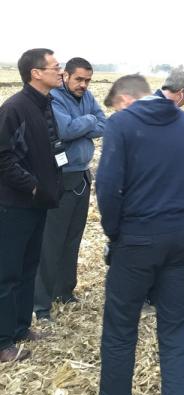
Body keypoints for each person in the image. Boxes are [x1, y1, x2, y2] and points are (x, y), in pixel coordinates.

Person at [82, 74, 184, 395]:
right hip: (180, 240)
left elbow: (107, 187)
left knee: (121, 330)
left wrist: (115, 232)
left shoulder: (121, 124)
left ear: (125, 99)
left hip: (135, 241)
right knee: (175, 338)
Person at [0, 48, 64, 363]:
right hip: (14, 205)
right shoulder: (14, 108)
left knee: (28, 268)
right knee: (7, 273)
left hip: (37, 204)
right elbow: (4, 158)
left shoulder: (45, 105)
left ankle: (21, 327)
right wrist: (34, 185)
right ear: (35, 73)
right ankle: (2, 342)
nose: (60, 70)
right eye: (55, 66)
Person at [33, 57, 106, 323]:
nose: (84, 85)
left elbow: (104, 123)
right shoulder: (54, 98)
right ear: (65, 76)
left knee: (72, 238)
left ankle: (64, 292)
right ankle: (40, 305)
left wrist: (81, 125)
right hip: (60, 178)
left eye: (88, 80)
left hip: (82, 177)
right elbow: (64, 129)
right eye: (79, 79)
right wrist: (87, 123)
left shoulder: (87, 97)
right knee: (51, 242)